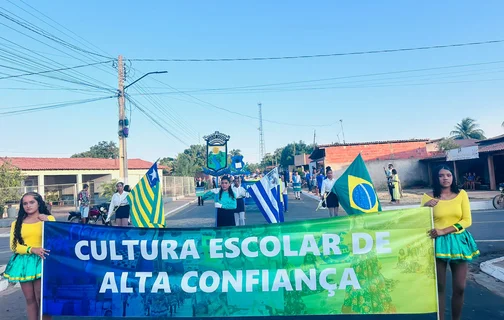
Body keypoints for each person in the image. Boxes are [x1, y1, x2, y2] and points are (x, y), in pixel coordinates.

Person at [421, 165, 480, 320]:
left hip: (458, 241)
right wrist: (425, 208)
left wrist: (444, 230)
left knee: (460, 288)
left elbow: (467, 220)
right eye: (441, 175)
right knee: (439, 287)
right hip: (436, 243)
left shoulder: (461, 194)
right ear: (436, 178)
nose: (445, 178)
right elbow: (421, 221)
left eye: (448, 175)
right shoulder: (428, 197)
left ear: (453, 177)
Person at [3, 192, 54, 320]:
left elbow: (56, 238)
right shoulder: (17, 223)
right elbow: (14, 246)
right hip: (24, 263)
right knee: (30, 299)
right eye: (25, 203)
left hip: (43, 260)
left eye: (32, 202)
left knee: (41, 297)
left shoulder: (49, 219)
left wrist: (47, 221)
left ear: (38, 203)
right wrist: (32, 249)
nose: (28, 206)